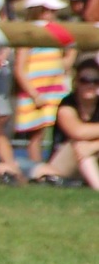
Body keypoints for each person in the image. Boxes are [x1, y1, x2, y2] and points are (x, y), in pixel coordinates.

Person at [12, 0, 72, 168]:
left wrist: (67, 60)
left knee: (58, 130)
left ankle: (54, 166)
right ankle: (36, 168)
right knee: (36, 134)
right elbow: (20, 69)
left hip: (54, 89)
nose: (53, 15)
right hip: (35, 91)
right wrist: (33, 94)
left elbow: (67, 54)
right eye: (49, 11)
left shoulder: (56, 33)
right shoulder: (29, 34)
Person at [30, 57, 99, 190]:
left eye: (96, 81)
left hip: (92, 154)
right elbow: (78, 131)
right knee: (79, 145)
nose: (90, 85)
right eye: (84, 81)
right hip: (63, 163)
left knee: (85, 147)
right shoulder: (67, 104)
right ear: (76, 82)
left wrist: (94, 146)